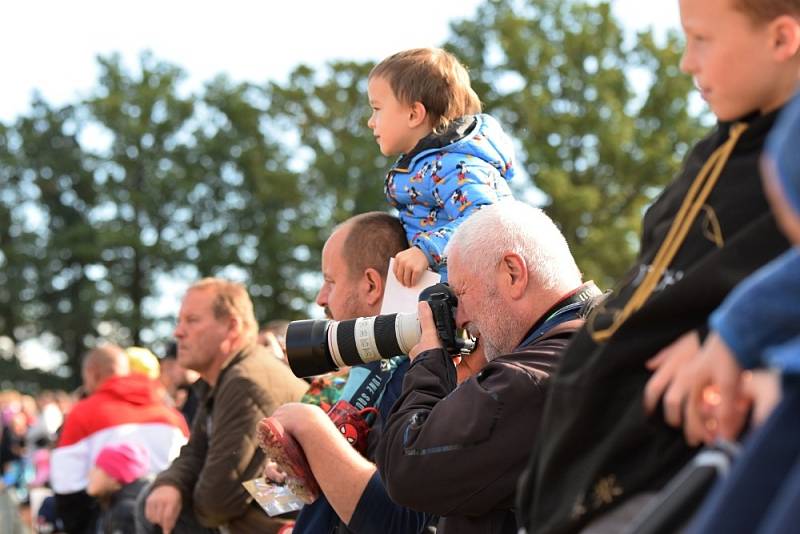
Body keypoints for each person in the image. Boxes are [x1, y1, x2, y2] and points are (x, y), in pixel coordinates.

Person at [516, 1, 800, 532]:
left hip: (671, 470)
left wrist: (738, 336)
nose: (686, 63)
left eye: (702, 39)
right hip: (581, 457)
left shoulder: (786, 160)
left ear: (782, 40)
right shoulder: (708, 155)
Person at [375, 200, 600, 533]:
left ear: (513, 273)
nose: (460, 317)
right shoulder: (604, 338)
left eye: (461, 293)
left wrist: (428, 364)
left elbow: (406, 468)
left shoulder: (530, 378)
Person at [259, 212, 432, 533]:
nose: (320, 298)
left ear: (370, 285)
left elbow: (396, 519)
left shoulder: (418, 374)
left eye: (330, 281)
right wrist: (291, 478)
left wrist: (311, 428)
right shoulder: (363, 373)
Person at [138, 278, 309, 534]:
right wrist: (169, 483)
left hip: (292, 523)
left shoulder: (245, 381)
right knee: (155, 498)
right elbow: (195, 452)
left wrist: (175, 491)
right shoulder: (225, 376)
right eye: (179, 321)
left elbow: (217, 502)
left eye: (192, 320)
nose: (178, 332)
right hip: (272, 513)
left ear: (231, 326)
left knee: (162, 511)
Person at [367, 47, 517, 285]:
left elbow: (487, 218)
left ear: (414, 114)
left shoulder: (453, 166)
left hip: (475, 292)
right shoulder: (425, 165)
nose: (370, 122)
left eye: (377, 109)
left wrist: (426, 251)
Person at [50, 344, 189, 533]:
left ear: (92, 374)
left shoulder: (82, 413)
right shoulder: (173, 416)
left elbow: (67, 487)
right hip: (171, 523)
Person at [87, 442, 151, 534]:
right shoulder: (117, 503)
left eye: (97, 467)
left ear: (113, 476)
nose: (90, 474)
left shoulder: (124, 513)